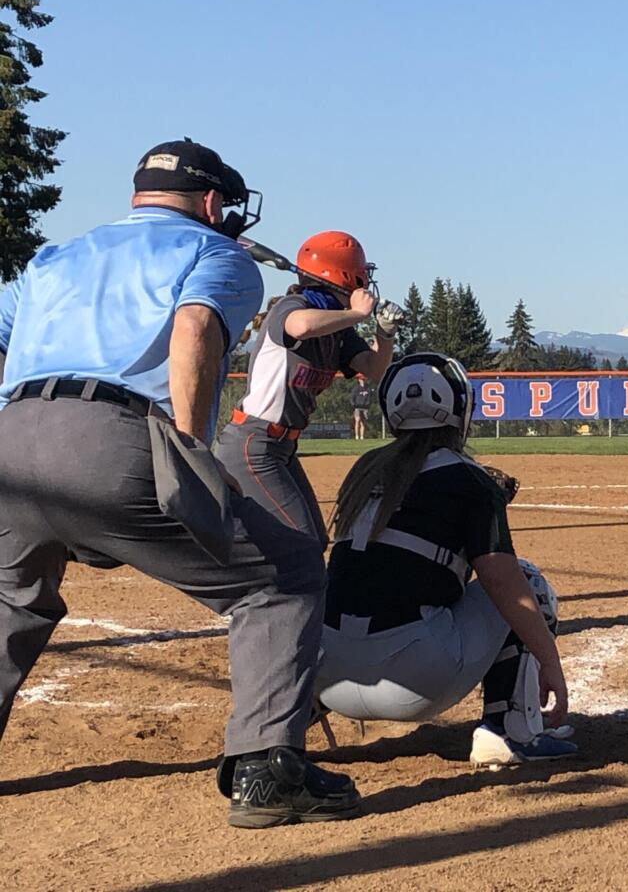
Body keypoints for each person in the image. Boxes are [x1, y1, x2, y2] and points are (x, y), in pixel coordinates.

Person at [0, 139, 359, 829]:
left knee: (8, 600)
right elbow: (193, 331)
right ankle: (265, 770)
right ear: (214, 202)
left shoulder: (57, 255)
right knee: (280, 576)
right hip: (113, 437)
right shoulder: (218, 256)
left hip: (13, 435)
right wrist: (188, 455)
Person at [314, 352, 577, 767]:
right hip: (412, 684)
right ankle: (510, 731)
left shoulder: (364, 469)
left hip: (330, 678)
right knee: (528, 582)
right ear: (459, 409)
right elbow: (504, 584)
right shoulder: (468, 480)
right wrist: (550, 660)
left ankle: (297, 712)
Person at [213, 232, 399, 549]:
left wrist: (384, 335)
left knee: (315, 540)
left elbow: (374, 368)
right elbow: (300, 326)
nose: (365, 282)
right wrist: (356, 314)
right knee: (303, 546)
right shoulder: (292, 306)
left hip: (282, 449)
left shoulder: (338, 330)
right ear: (346, 275)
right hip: (253, 444)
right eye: (361, 274)